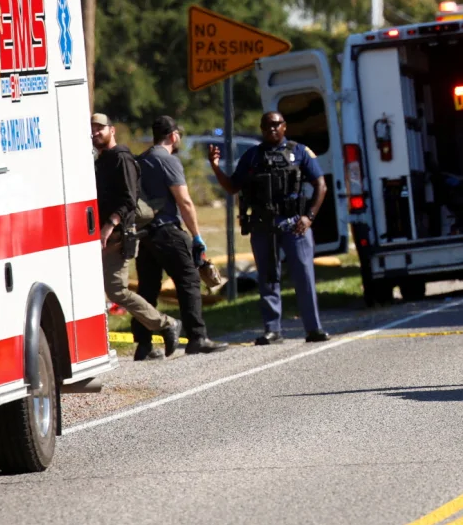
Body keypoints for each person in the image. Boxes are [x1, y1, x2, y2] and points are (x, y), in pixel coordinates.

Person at [209, 112, 329, 344]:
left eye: (275, 125)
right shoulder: (252, 156)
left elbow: (320, 185)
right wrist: (215, 167)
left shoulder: (300, 152)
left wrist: (309, 217)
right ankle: (272, 330)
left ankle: (313, 328)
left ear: (285, 126)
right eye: (266, 126)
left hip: (295, 225)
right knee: (267, 278)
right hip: (263, 226)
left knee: (304, 276)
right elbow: (233, 187)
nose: (271, 129)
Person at [92, 114, 182, 361]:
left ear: (112, 130)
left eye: (100, 128)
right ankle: (140, 343)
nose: (95, 132)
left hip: (117, 236)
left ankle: (166, 324)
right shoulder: (101, 160)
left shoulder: (122, 158)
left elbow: (130, 199)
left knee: (117, 291)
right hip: (97, 235)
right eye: (92, 129)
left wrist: (111, 224)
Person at [135, 116, 228, 354]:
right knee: (189, 281)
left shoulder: (140, 160)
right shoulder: (168, 160)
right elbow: (184, 201)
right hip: (167, 231)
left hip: (144, 235)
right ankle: (197, 338)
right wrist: (196, 235)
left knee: (147, 289)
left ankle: (143, 344)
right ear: (173, 136)